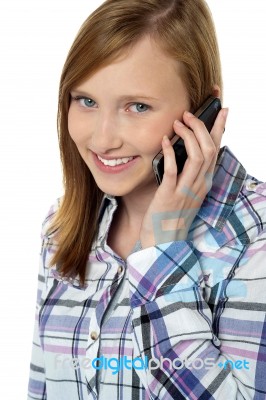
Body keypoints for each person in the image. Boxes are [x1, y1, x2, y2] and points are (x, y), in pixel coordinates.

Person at [27, 0, 266, 399]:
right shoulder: (62, 225)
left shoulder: (254, 239)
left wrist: (163, 250)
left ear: (203, 109)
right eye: (86, 101)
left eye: (137, 106)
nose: (102, 139)